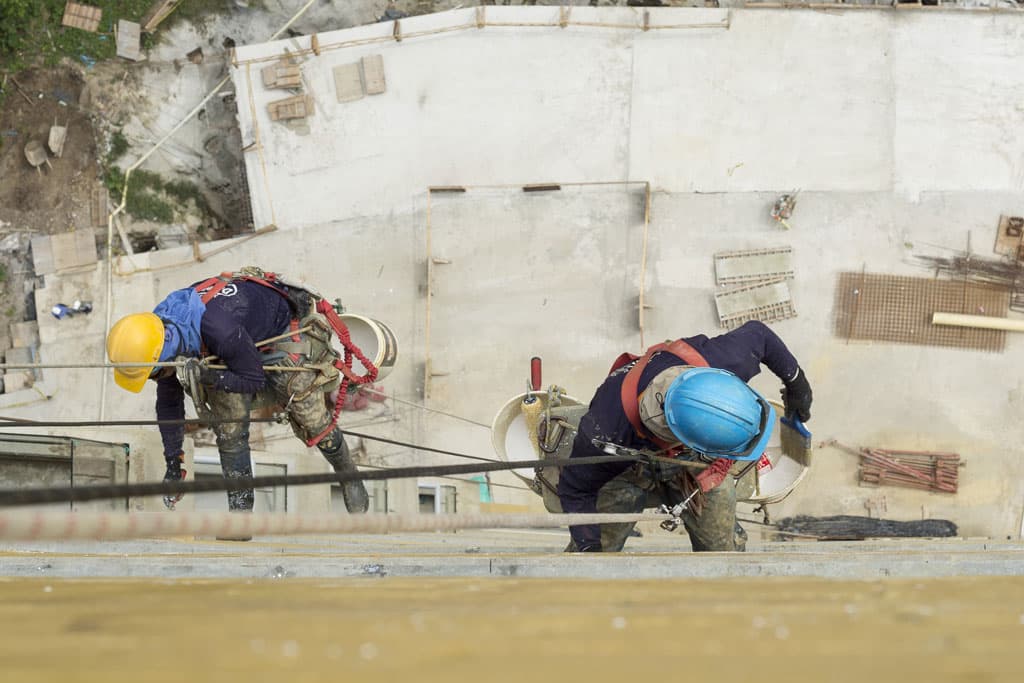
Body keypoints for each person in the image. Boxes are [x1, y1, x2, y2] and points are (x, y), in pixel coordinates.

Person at [105, 267, 371, 523]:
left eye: (154, 373)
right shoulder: (155, 333)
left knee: (310, 417)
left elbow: (253, 380)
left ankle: (348, 474)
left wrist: (211, 378)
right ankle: (241, 514)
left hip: (278, 333)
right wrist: (174, 461)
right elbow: (168, 402)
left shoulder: (218, 328)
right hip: (230, 342)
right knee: (229, 426)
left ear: (165, 356)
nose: (154, 379)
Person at [557, 320, 812, 553]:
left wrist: (796, 382)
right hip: (625, 466)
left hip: (693, 463)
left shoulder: (718, 359)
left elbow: (760, 334)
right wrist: (588, 545)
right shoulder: (604, 432)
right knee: (594, 558)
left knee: (723, 554)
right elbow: (575, 488)